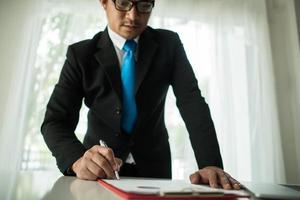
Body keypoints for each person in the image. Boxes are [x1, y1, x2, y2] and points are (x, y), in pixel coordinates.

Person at [41, 0, 241, 190]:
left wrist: (211, 164)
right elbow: (55, 121)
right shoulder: (80, 54)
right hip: (98, 171)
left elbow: (192, 103)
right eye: (123, 3)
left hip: (155, 170)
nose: (133, 15)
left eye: (144, 5)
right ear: (104, 2)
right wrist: (77, 160)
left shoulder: (169, 45)